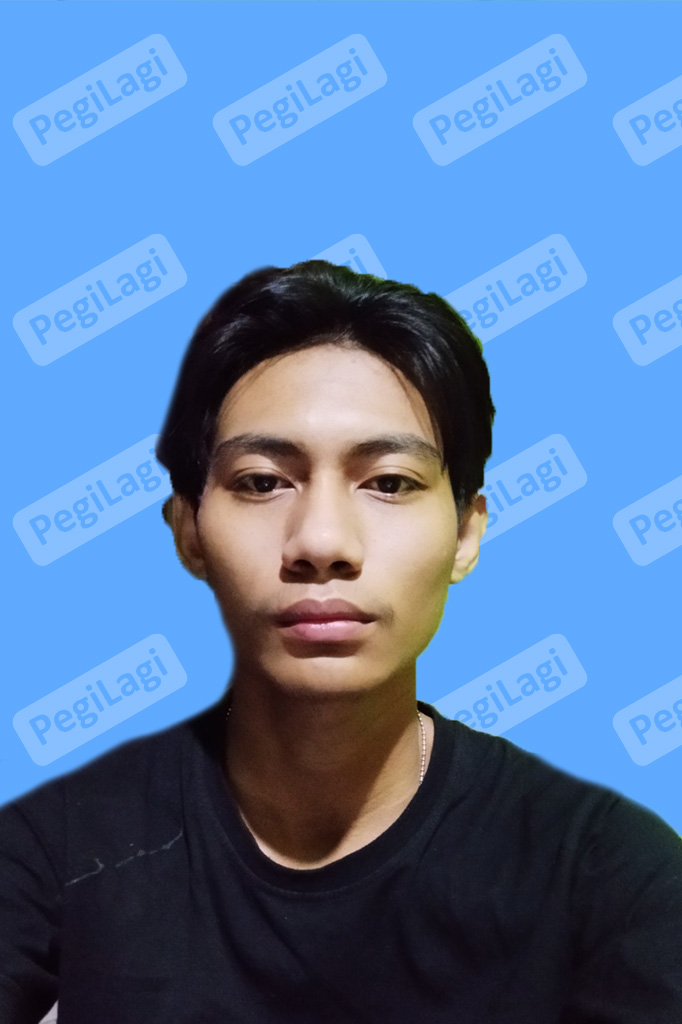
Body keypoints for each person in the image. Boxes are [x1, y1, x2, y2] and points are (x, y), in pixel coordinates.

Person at [1, 261, 681, 1023]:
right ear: (188, 530)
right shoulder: (58, 850)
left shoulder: (609, 874)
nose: (322, 542)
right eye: (263, 481)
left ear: (466, 532)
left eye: (389, 482)